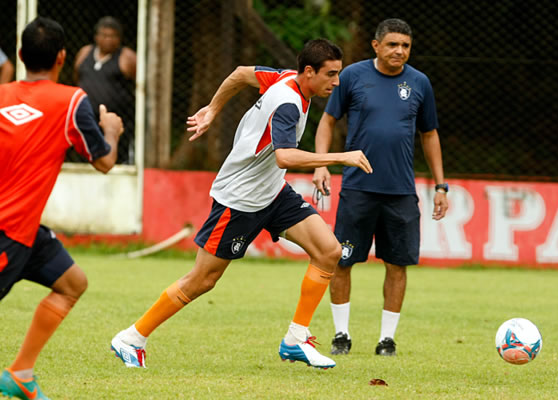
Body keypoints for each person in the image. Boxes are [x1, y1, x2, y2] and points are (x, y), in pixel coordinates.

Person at [110, 38, 372, 370]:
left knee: (328, 251)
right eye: (331, 75)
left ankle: (296, 338)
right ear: (309, 72)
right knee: (202, 280)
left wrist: (212, 109)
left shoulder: (283, 77)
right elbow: (285, 156)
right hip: (240, 200)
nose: (337, 82)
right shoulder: (289, 103)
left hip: (273, 193)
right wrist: (339, 158)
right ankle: (132, 337)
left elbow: (239, 74)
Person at [0, 17, 123, 400]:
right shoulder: (71, 101)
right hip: (8, 232)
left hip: (23, 230)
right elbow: (104, 162)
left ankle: (20, 372)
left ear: (20, 56)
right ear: (62, 57)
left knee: (72, 284)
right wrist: (112, 132)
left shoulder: (0, 96)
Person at [312, 18, 449, 357]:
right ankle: (341, 335)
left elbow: (429, 134)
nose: (399, 51)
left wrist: (441, 185)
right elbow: (327, 122)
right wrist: (321, 164)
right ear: (376, 46)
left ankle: (387, 339)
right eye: (392, 44)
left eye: (404, 45)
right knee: (342, 261)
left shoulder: (420, 83)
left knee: (397, 264)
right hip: (357, 188)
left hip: (401, 191)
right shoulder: (353, 77)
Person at [74, 16, 136, 164]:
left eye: (113, 36)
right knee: (85, 159)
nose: (108, 39)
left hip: (116, 122)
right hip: (87, 120)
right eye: (104, 35)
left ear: (119, 38)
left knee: (115, 159)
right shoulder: (85, 53)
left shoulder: (126, 57)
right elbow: (76, 77)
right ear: (96, 37)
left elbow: (139, 84)